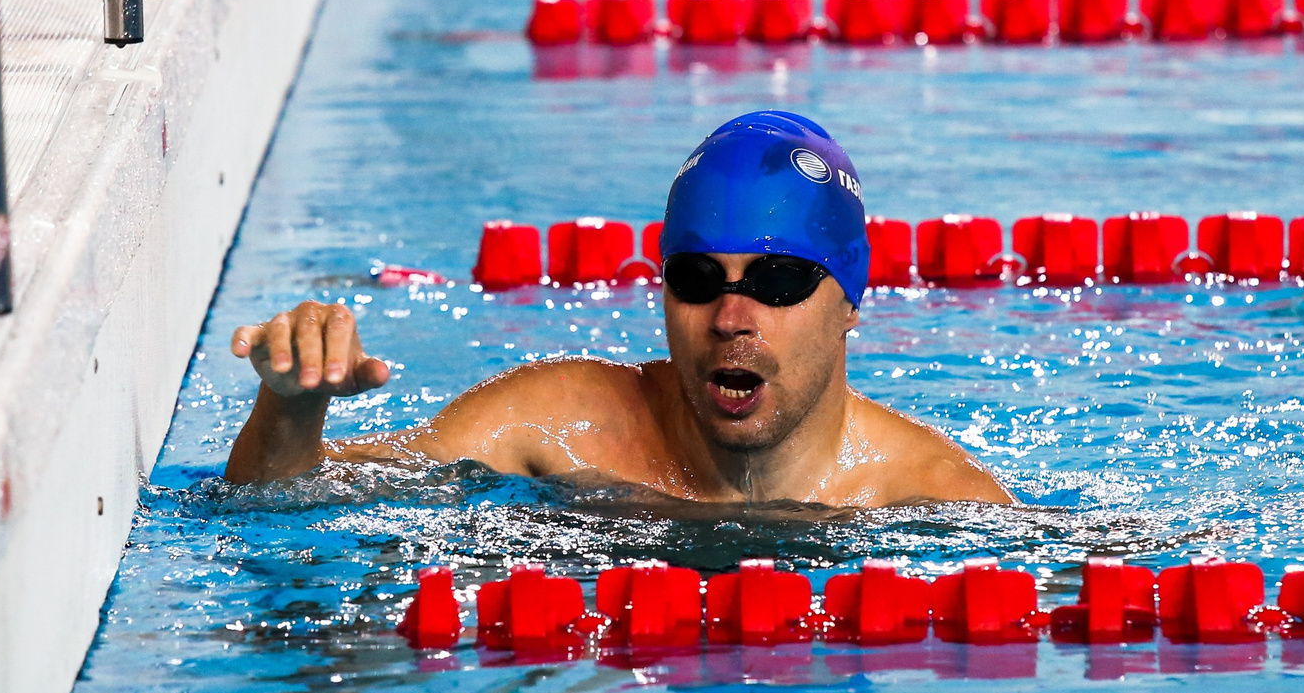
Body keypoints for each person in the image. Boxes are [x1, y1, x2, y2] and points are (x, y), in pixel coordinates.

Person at [224, 110, 1015, 507]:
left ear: (850, 302)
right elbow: (280, 500)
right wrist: (290, 407)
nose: (732, 316)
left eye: (777, 282)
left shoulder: (932, 495)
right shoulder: (555, 423)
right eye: (698, 278)